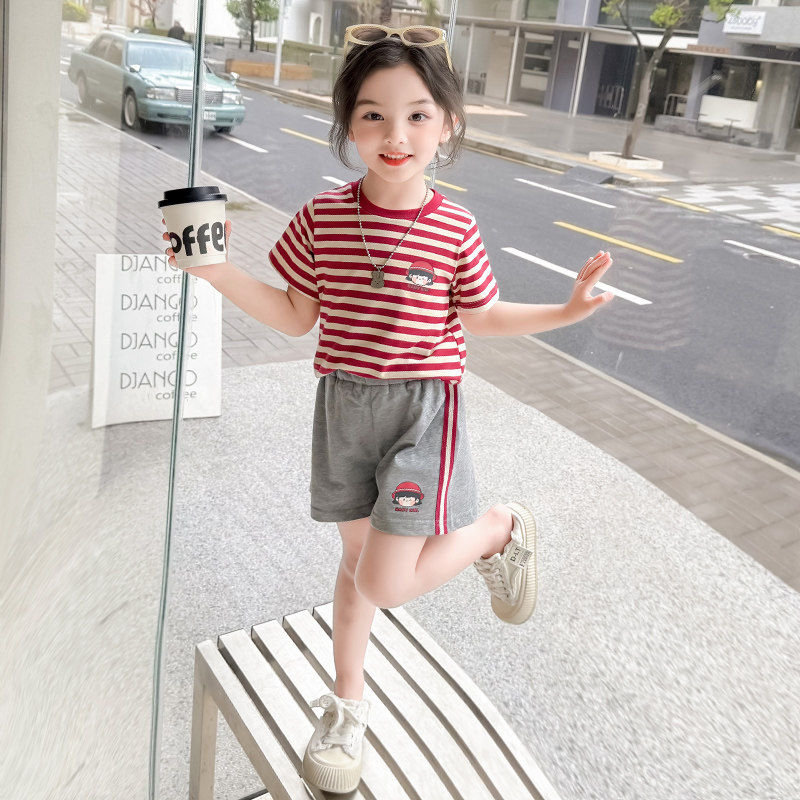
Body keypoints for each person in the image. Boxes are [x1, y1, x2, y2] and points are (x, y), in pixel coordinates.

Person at [164, 23, 614, 795]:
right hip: (343, 408)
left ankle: (496, 530)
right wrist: (213, 272)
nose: (395, 134)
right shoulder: (321, 218)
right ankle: (348, 708)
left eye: (416, 114)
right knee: (355, 567)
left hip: (421, 415)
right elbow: (296, 315)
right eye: (373, 114)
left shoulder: (455, 227)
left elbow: (481, 317)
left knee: (383, 582)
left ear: (448, 124)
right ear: (348, 123)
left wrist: (566, 312)